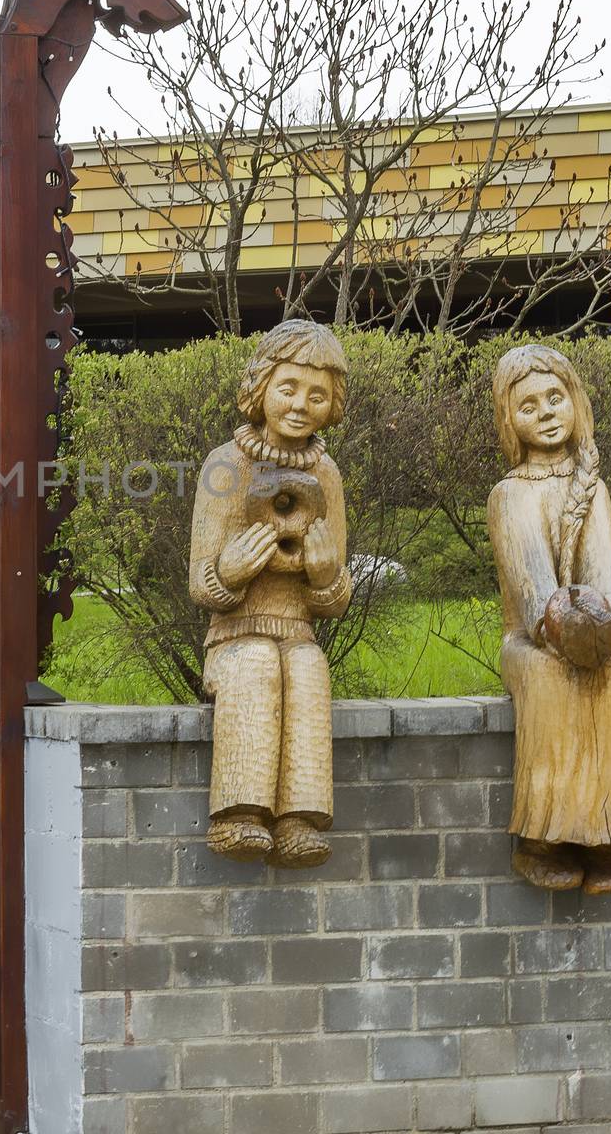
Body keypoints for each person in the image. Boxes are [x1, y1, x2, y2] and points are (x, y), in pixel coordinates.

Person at [189, 320, 352, 868]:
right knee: (258, 662)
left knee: (308, 668)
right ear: (261, 388)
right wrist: (229, 572)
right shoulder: (226, 466)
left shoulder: (325, 475)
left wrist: (327, 575)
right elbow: (200, 582)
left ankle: (299, 821)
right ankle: (239, 814)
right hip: (234, 638)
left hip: (298, 633)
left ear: (332, 406)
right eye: (288, 388)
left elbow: (334, 601)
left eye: (317, 395)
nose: (301, 405)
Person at [487, 344, 611, 895]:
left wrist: (602, 626)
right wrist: (561, 626)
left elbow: (610, 583)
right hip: (531, 642)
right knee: (550, 676)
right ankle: (544, 837)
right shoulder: (508, 495)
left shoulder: (593, 486)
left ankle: (605, 834)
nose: (547, 413)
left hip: (593, 634)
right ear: (509, 420)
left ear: (575, 403)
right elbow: (533, 593)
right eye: (528, 406)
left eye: (556, 398)